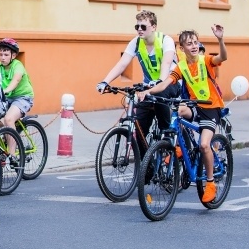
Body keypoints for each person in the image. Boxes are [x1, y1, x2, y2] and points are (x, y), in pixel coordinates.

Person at [141, 25, 227, 203]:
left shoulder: (207, 61)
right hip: (194, 106)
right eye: (190, 43)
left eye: (196, 42)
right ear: (182, 48)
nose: (194, 46)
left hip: (212, 108)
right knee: (175, 110)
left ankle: (210, 183)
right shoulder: (181, 67)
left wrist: (220, 39)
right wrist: (148, 92)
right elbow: (165, 84)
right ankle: (178, 146)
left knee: (204, 145)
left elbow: (223, 57)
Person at [97, 10, 180, 154]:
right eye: (137, 27)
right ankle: (146, 169)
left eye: (143, 27)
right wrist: (105, 81)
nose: (139, 30)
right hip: (148, 87)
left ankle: (166, 135)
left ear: (153, 27)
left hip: (169, 83)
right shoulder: (136, 42)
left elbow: (166, 63)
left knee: (160, 96)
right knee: (140, 129)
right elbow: (122, 64)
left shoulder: (166, 40)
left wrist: (159, 81)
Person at [0, 37, 34, 157]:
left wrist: (6, 90)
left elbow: (16, 80)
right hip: (6, 99)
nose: (2, 57)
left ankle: (12, 155)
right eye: (0, 54)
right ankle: (6, 142)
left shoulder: (18, 65)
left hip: (23, 97)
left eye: (6, 54)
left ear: (13, 55)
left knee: (8, 119)